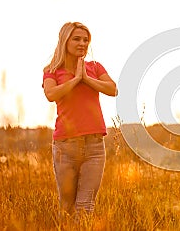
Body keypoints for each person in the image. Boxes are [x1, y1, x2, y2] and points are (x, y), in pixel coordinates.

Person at [42, 22, 117, 219]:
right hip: (65, 146)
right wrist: (75, 79)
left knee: (85, 206)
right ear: (65, 41)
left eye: (86, 39)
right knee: (66, 207)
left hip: (94, 147)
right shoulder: (51, 70)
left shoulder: (94, 67)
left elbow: (112, 89)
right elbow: (50, 94)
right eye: (77, 38)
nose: (82, 43)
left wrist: (86, 78)